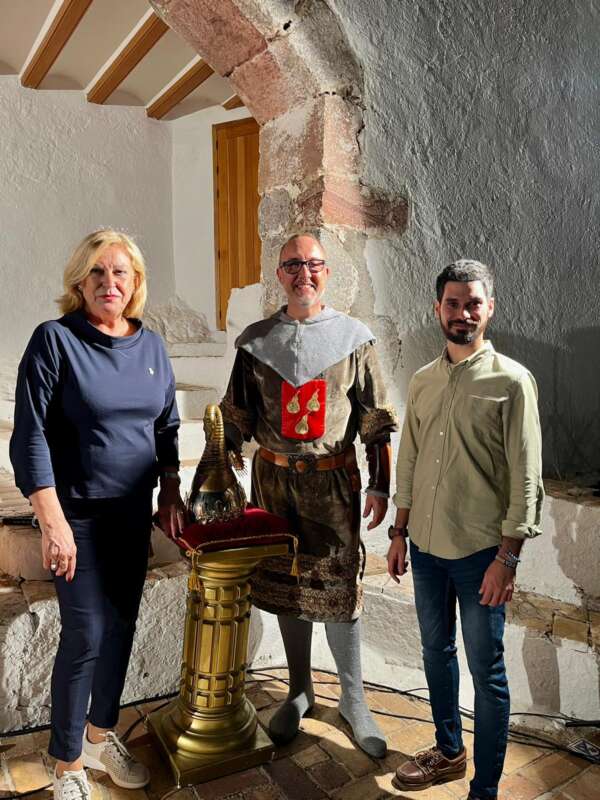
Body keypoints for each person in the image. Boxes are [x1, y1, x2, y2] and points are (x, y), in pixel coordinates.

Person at [10, 230, 186, 800]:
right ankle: (66, 764)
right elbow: (29, 436)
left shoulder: (151, 347)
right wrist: (52, 520)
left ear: (135, 284)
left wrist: (169, 492)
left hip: (131, 517)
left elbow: (166, 427)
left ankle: (98, 736)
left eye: (120, 273)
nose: (109, 283)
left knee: (120, 630)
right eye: (98, 272)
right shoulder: (56, 340)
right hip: (76, 518)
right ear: (79, 282)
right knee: (85, 633)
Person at [219, 233, 398, 758]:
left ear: (327, 272)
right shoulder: (256, 342)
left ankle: (353, 700)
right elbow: (236, 416)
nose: (304, 274)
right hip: (273, 485)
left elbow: (374, 420)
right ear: (280, 274)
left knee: (339, 591)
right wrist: (218, 466)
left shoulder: (354, 339)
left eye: (314, 264)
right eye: (293, 265)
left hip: (332, 487)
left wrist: (380, 484)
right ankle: (299, 690)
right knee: (286, 584)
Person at [388, 260, 543, 799]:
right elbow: (409, 459)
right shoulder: (423, 381)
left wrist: (508, 559)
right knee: (435, 653)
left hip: (482, 555)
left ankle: (485, 790)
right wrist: (398, 532)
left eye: (473, 303)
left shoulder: (513, 381)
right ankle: (449, 751)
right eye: (452, 303)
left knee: (487, 672)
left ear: (489, 309)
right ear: (438, 309)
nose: (462, 313)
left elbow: (527, 476)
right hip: (426, 549)